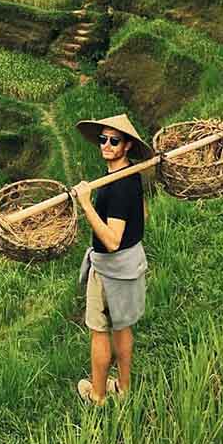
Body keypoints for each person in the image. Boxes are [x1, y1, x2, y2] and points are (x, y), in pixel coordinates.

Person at [70, 114, 152, 405]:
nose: (106, 144)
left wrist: (85, 203)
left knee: (99, 331)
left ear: (127, 146)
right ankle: (124, 388)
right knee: (123, 327)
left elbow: (112, 240)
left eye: (114, 141)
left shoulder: (118, 187)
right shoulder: (129, 176)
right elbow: (143, 215)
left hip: (110, 271)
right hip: (132, 264)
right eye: (103, 139)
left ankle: (98, 395)